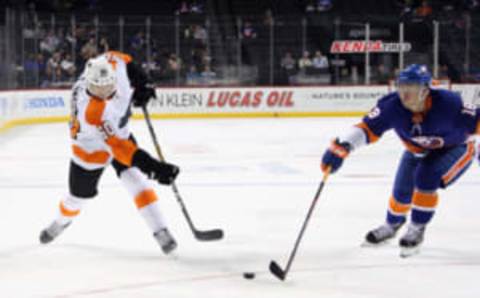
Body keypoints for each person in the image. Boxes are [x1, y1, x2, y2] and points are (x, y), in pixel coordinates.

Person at [321, 64, 479, 257]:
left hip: (455, 148)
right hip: (417, 150)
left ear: (425, 89)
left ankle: (417, 228)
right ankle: (392, 224)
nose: (404, 93)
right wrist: (343, 147)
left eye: (410, 87)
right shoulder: (391, 106)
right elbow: (367, 128)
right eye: (401, 86)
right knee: (401, 191)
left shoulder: (449, 105)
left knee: (426, 175)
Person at [39, 51, 180, 254]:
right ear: (88, 81)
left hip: (118, 133)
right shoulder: (93, 111)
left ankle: (160, 230)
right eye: (96, 87)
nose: (102, 90)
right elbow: (120, 149)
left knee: (136, 180)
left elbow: (123, 59)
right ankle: (61, 221)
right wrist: (154, 168)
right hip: (90, 150)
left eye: (106, 86)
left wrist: (143, 82)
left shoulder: (109, 64)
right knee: (77, 198)